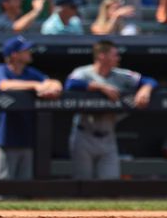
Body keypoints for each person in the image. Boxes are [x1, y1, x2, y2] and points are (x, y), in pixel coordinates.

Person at [65, 40, 157, 179]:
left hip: (108, 136)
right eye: (114, 55)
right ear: (102, 56)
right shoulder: (83, 72)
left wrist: (146, 89)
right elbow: (70, 84)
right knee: (82, 183)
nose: (118, 58)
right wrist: (100, 86)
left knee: (110, 182)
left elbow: (149, 80)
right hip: (83, 134)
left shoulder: (120, 74)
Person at [0, 36, 62, 180]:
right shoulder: (0, 69)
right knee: (3, 189)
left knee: (24, 187)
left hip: (26, 138)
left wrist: (54, 88)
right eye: (25, 50)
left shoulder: (30, 72)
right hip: (4, 139)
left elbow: (52, 82)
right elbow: (4, 85)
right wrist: (34, 86)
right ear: (14, 54)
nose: (30, 52)